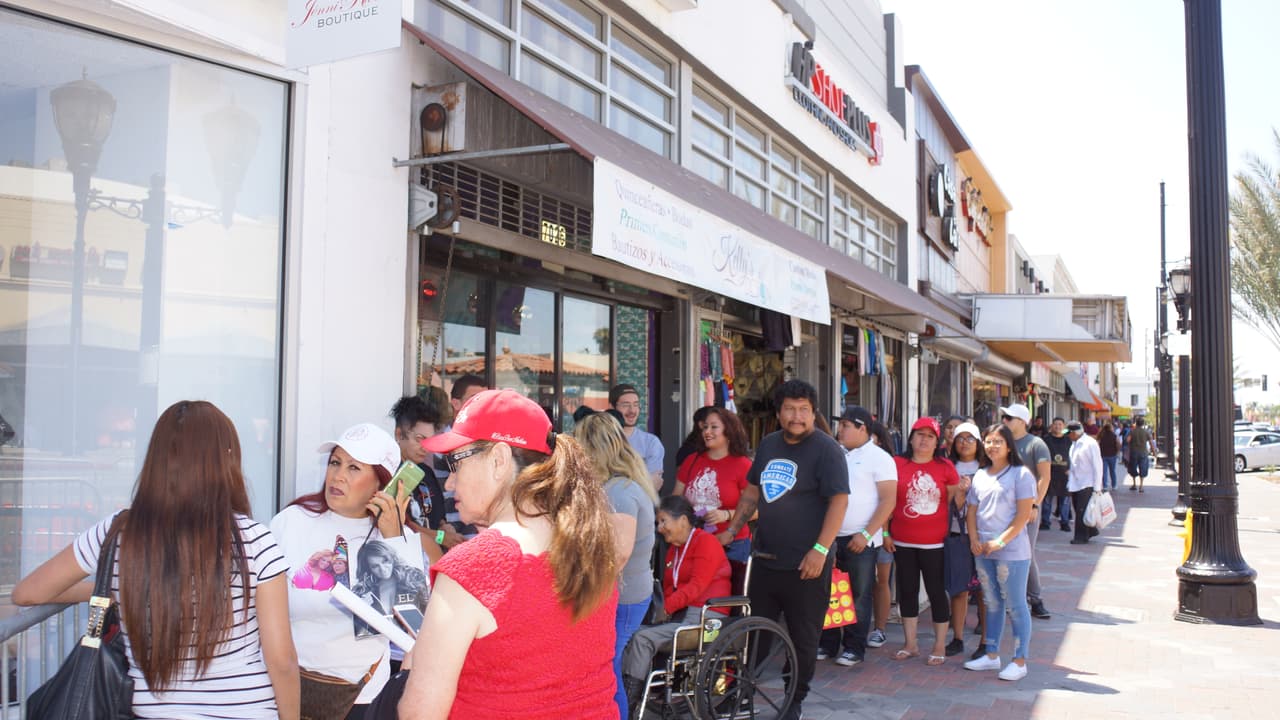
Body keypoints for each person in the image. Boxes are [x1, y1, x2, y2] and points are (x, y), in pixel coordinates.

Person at [13, 401, 300, 719]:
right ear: (226, 458)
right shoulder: (255, 540)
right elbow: (281, 659)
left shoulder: (118, 532)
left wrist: (116, 588)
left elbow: (28, 593)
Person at [400, 390, 618, 719]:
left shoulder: (475, 566)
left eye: (454, 463)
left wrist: (408, 673)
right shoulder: (589, 547)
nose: (449, 483)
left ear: (500, 461)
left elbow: (419, 713)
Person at [271, 422, 423, 719]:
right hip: (287, 689)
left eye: (354, 468)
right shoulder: (292, 521)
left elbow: (416, 625)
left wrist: (392, 538)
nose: (338, 475)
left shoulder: (392, 538)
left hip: (361, 699)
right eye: (335, 462)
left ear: (383, 484)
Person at [716, 380, 849, 720]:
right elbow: (751, 492)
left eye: (804, 409)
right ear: (778, 413)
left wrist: (820, 549)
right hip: (765, 560)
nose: (797, 416)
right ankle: (739, 694)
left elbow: (839, 501)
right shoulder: (770, 444)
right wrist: (732, 529)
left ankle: (795, 701)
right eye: (790, 409)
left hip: (806, 565)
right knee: (754, 634)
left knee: (804, 640)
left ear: (813, 412)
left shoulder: (827, 449)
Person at [575, 412, 658, 720]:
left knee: (606, 670)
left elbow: (618, 555)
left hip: (621, 597)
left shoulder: (620, 492)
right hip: (623, 593)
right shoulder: (619, 486)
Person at [620, 495, 731, 712]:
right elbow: (672, 587)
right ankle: (628, 696)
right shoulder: (676, 550)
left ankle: (629, 705)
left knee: (643, 639)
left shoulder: (706, 542)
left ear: (682, 520)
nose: (660, 528)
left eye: (663, 521)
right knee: (632, 634)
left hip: (708, 617)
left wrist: (666, 608)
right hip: (684, 615)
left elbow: (696, 587)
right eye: (658, 523)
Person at [818, 405, 896, 668]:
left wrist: (866, 534)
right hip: (831, 536)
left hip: (862, 539)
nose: (840, 430)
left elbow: (888, 501)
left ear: (863, 428)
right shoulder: (834, 453)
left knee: (859, 594)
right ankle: (828, 643)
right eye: (840, 425)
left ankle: (854, 647)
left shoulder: (880, 458)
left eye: (846, 426)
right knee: (829, 591)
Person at [963, 423, 1036, 682]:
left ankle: (1019, 660)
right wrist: (973, 539)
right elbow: (971, 510)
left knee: (1016, 605)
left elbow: (1023, 516)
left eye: (997, 441)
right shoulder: (981, 475)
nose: (992, 446)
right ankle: (991, 654)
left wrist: (1000, 542)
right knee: (991, 602)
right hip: (982, 549)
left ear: (1008, 445)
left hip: (1012, 552)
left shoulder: (1021, 475)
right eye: (988, 440)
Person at [889, 417, 959, 666]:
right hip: (902, 541)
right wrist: (886, 533)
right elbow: (887, 502)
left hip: (935, 544)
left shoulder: (945, 467)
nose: (924, 440)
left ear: (937, 441)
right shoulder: (897, 464)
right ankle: (911, 643)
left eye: (930, 436)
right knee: (906, 591)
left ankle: (939, 644)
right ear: (911, 437)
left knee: (936, 592)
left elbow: (950, 501)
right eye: (920, 434)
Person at [674, 406, 754, 591]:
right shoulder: (692, 460)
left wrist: (726, 515)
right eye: (704, 428)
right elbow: (676, 500)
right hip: (694, 542)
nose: (707, 432)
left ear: (729, 431)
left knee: (725, 598)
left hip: (732, 544)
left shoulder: (743, 465)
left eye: (713, 427)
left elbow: (757, 510)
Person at [1000, 403, 1052, 620]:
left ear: (1022, 421)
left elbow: (1045, 477)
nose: (1005, 421)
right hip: (1002, 509)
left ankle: (1035, 598)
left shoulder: (1036, 444)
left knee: (1025, 553)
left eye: (1009, 418)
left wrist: (1035, 504)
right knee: (1002, 553)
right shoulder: (1002, 443)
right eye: (1004, 417)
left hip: (1026, 509)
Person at [391, 395, 454, 560]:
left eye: (430, 441)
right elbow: (402, 524)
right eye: (419, 439)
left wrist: (446, 528)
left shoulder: (426, 472)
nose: (425, 447)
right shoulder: (387, 473)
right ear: (399, 434)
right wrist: (441, 537)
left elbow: (438, 517)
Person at [947, 421, 987, 660]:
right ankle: (958, 638)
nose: (964, 443)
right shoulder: (948, 466)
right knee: (959, 589)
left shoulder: (987, 467)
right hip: (955, 534)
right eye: (960, 438)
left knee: (983, 590)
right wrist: (958, 491)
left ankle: (985, 641)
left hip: (983, 535)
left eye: (969, 438)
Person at [866, 419, 896, 650]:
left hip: (882, 534)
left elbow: (888, 502)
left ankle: (880, 628)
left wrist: (885, 531)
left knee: (881, 581)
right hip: (854, 534)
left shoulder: (887, 463)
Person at [610, 383, 665, 489]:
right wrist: (640, 478)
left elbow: (652, 485)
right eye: (625, 405)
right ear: (612, 407)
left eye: (635, 405)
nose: (632, 411)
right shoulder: (601, 441)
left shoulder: (651, 442)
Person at [1066, 421, 1104, 544]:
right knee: (1078, 508)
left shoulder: (1090, 444)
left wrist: (1097, 487)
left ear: (1074, 433)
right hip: (1076, 482)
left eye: (1069, 433)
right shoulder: (1074, 444)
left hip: (1088, 482)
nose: (1067, 436)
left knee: (1082, 509)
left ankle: (1080, 537)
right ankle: (1091, 530)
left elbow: (1097, 466)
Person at [1041, 417, 1073, 532]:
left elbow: (1073, 457)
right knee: (1047, 500)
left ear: (1063, 426)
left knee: (1065, 501)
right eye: (1055, 424)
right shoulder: (1045, 440)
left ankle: (1064, 523)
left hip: (1064, 475)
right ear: (1052, 426)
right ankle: (1045, 522)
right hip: (1049, 474)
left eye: (1060, 424)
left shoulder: (1068, 440)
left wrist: (1071, 469)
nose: (1058, 427)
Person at [1128, 416, 1156, 492]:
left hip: (1134, 452)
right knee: (1143, 468)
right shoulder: (1146, 432)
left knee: (1133, 467)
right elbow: (1151, 443)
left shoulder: (1132, 431)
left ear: (1136, 423)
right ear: (1143, 424)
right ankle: (1141, 485)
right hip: (1143, 452)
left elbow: (1128, 440)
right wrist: (1154, 452)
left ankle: (1134, 484)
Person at [1098, 421, 1121, 491]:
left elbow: (1098, 444)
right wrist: (1117, 451)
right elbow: (1118, 444)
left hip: (1103, 455)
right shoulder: (1114, 436)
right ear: (1111, 428)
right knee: (1112, 471)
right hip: (1112, 455)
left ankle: (1105, 485)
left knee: (1104, 471)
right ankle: (1114, 485)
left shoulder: (1101, 435)